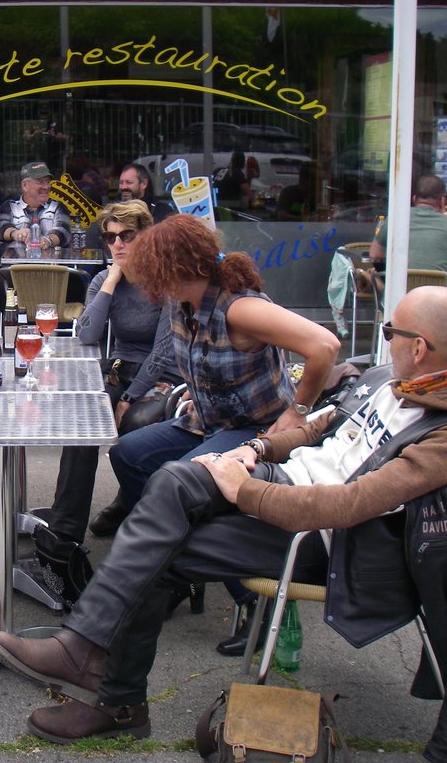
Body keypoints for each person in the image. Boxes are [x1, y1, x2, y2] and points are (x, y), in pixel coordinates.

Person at [0, 286, 447, 763]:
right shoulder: (393, 381)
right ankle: (84, 650)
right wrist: (256, 449)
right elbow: (319, 427)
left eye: (390, 332)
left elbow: (351, 506)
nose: (385, 340)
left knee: (158, 551)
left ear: (418, 348)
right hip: (282, 481)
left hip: (322, 539)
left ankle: (111, 693)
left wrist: (247, 491)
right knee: (172, 481)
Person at [88, 213, 339, 652]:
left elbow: (325, 346)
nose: (146, 281)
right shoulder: (181, 301)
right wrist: (192, 389)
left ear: (176, 268)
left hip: (254, 427)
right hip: (207, 421)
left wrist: (298, 411)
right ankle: (181, 568)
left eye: (152, 271)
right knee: (128, 453)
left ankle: (254, 604)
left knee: (182, 487)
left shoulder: (240, 308)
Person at [33, 201, 180, 607]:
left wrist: (130, 397)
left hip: (162, 377)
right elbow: (86, 334)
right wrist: (113, 279)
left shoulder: (166, 281)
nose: (117, 244)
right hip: (117, 370)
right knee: (82, 423)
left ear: (146, 236)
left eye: (127, 236)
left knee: (134, 428)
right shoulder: (103, 279)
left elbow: (163, 352)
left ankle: (132, 512)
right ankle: (64, 538)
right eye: (110, 237)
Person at [0, 161, 81, 312]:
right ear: (25, 185)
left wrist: (47, 240)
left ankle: (63, 325)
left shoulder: (58, 207)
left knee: (76, 283)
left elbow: (63, 232)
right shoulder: (9, 207)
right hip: (15, 273)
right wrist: (16, 233)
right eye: (40, 182)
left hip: (52, 274)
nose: (46, 186)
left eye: (47, 182)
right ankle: (11, 323)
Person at [369, 174, 447, 275]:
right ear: (442, 201)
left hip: (400, 283)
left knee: (372, 275)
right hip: (438, 285)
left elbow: (375, 255)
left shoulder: (396, 218)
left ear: (414, 199)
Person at [85, 162, 174, 252]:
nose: (124, 187)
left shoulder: (162, 212)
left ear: (144, 184)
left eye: (129, 182)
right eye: (121, 183)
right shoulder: (111, 212)